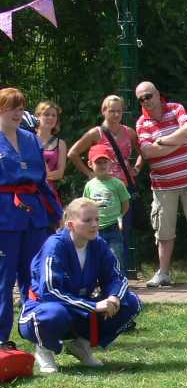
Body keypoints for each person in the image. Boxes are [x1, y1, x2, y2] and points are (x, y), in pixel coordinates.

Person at [18, 197, 140, 373]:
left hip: (79, 309)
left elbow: (116, 278)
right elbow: (50, 292)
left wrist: (114, 297)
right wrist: (94, 306)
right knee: (55, 313)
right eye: (87, 220)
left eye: (97, 219)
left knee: (131, 302)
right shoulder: (55, 246)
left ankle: (81, 344)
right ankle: (44, 349)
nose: (94, 225)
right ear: (70, 225)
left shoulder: (98, 244)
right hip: (42, 310)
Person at [134, 82, 187, 286]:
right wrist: (178, 142)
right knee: (164, 231)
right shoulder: (142, 123)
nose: (145, 101)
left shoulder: (176, 108)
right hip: (163, 185)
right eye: (141, 99)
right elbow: (147, 152)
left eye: (148, 96)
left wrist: (161, 141)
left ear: (157, 94)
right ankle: (163, 273)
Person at [1, 87, 62, 345]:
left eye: (20, 108)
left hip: (34, 214)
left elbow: (42, 181)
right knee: (4, 278)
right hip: (4, 216)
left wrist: (56, 212)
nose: (17, 113)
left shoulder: (31, 139)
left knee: (34, 275)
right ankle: (1, 339)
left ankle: (38, 332)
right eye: (11, 108)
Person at [67, 95, 140, 276]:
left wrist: (137, 167)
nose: (115, 115)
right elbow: (73, 153)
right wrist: (89, 173)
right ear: (103, 111)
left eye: (119, 111)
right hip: (100, 190)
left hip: (122, 187)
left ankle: (120, 275)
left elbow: (143, 151)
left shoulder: (129, 132)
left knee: (122, 233)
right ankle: (97, 275)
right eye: (112, 111)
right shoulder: (96, 133)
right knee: (96, 234)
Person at [83, 144, 131, 270]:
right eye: (98, 162)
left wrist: (119, 216)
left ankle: (118, 279)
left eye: (105, 162)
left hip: (113, 227)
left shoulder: (118, 184)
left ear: (111, 164)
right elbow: (86, 205)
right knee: (94, 259)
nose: (102, 165)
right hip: (95, 229)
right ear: (90, 164)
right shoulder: (89, 185)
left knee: (116, 257)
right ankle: (96, 280)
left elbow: (125, 203)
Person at [33, 101, 67, 205]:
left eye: (53, 115)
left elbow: (59, 173)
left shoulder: (61, 143)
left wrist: (37, 176)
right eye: (46, 114)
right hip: (30, 191)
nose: (50, 118)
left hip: (49, 192)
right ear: (38, 117)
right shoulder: (28, 139)